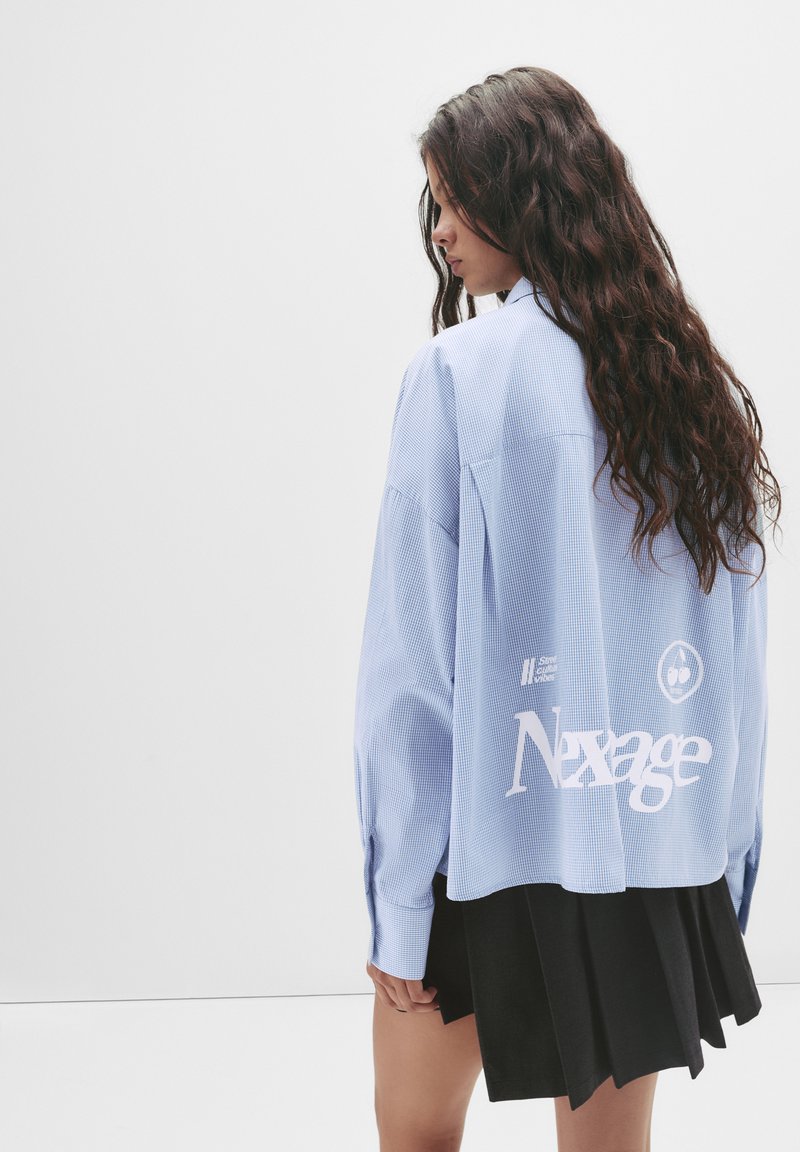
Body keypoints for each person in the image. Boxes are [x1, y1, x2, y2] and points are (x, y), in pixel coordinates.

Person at [352, 65, 781, 1152]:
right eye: (435, 203)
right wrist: (722, 866)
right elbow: (740, 670)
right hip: (652, 844)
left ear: (522, 196)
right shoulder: (692, 389)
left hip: (485, 849)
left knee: (414, 1137)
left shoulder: (457, 376)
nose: (441, 229)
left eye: (456, 199)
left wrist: (400, 901)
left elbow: (412, 672)